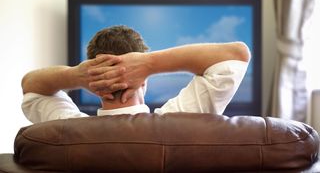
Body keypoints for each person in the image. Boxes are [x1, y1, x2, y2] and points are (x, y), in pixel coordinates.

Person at [21, 25, 250, 123]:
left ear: (94, 84)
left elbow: (31, 86)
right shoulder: (180, 120)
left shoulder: (67, 129)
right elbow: (237, 54)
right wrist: (149, 64)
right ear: (144, 81)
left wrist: (76, 76)